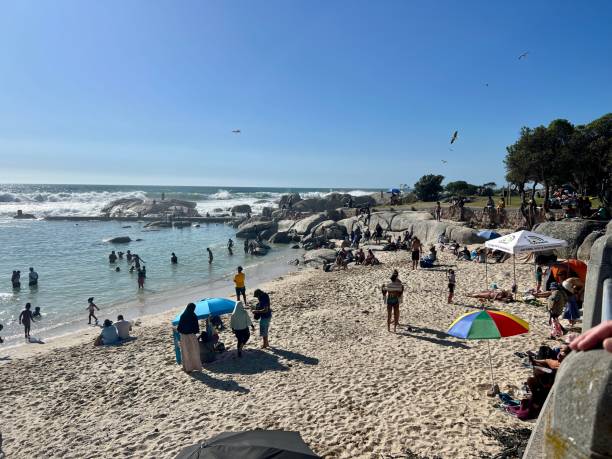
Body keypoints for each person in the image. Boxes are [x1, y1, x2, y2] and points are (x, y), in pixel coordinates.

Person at [176, 303, 202, 372]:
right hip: (192, 336)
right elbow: (196, 329)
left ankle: (188, 368)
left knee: (186, 352)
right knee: (194, 352)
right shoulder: (194, 316)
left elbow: (179, 328)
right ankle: (196, 366)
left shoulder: (183, 315)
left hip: (184, 337)